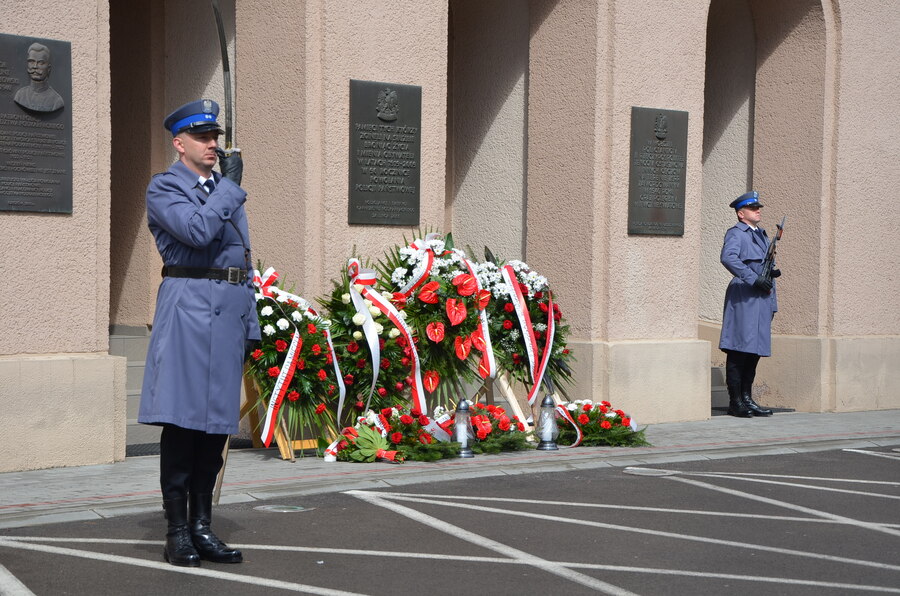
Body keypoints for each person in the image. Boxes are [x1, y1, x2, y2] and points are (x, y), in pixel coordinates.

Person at [138, 99, 259, 567]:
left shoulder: (222, 189)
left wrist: (250, 323)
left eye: (215, 137)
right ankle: (176, 532)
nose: (213, 144)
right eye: (203, 137)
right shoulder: (165, 187)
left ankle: (202, 527)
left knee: (215, 429)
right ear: (179, 143)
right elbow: (196, 231)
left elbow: (243, 261)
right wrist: (229, 188)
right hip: (188, 312)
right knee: (183, 424)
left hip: (227, 318)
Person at [719, 190, 779, 418]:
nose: (758, 211)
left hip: (761, 298)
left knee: (754, 351)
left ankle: (747, 399)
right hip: (745, 296)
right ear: (741, 213)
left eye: (758, 208)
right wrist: (754, 279)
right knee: (739, 349)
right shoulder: (737, 233)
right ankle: (735, 401)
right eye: (753, 208)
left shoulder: (761, 235)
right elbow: (728, 257)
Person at [13, 42, 65, 112]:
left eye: (41, 63)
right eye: (31, 62)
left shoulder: (56, 101)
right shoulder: (20, 96)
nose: (35, 66)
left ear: (49, 68)